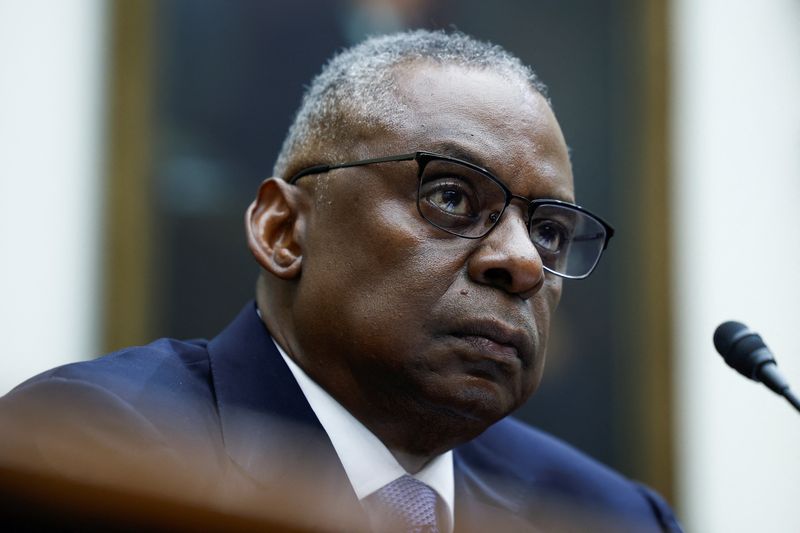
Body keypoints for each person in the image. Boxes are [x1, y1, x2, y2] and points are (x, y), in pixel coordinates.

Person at [0, 30, 682, 532]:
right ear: (282, 230)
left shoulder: (611, 517)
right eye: (449, 196)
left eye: (550, 231)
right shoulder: (89, 450)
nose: (524, 262)